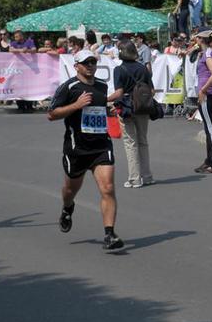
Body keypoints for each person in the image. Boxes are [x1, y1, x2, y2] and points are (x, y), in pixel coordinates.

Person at [48, 50, 124, 251]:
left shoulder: (101, 86)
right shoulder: (68, 87)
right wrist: (76, 105)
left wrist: (108, 110)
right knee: (70, 190)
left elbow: (97, 109)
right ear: (76, 66)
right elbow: (52, 114)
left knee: (108, 188)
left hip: (101, 146)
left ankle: (109, 234)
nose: (90, 65)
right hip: (77, 148)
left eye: (93, 62)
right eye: (86, 62)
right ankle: (67, 208)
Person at [107, 40, 155, 189]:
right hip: (142, 107)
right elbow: (152, 90)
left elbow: (119, 93)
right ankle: (147, 176)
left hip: (126, 108)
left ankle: (134, 178)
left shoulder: (119, 69)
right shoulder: (142, 68)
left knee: (130, 142)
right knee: (143, 141)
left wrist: (105, 99)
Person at [192, 30, 212, 174]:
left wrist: (203, 89)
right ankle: (210, 160)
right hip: (208, 94)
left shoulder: (209, 54)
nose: (195, 39)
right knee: (209, 128)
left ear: (201, 39)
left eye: (197, 37)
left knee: (211, 129)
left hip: (207, 95)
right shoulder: (207, 53)